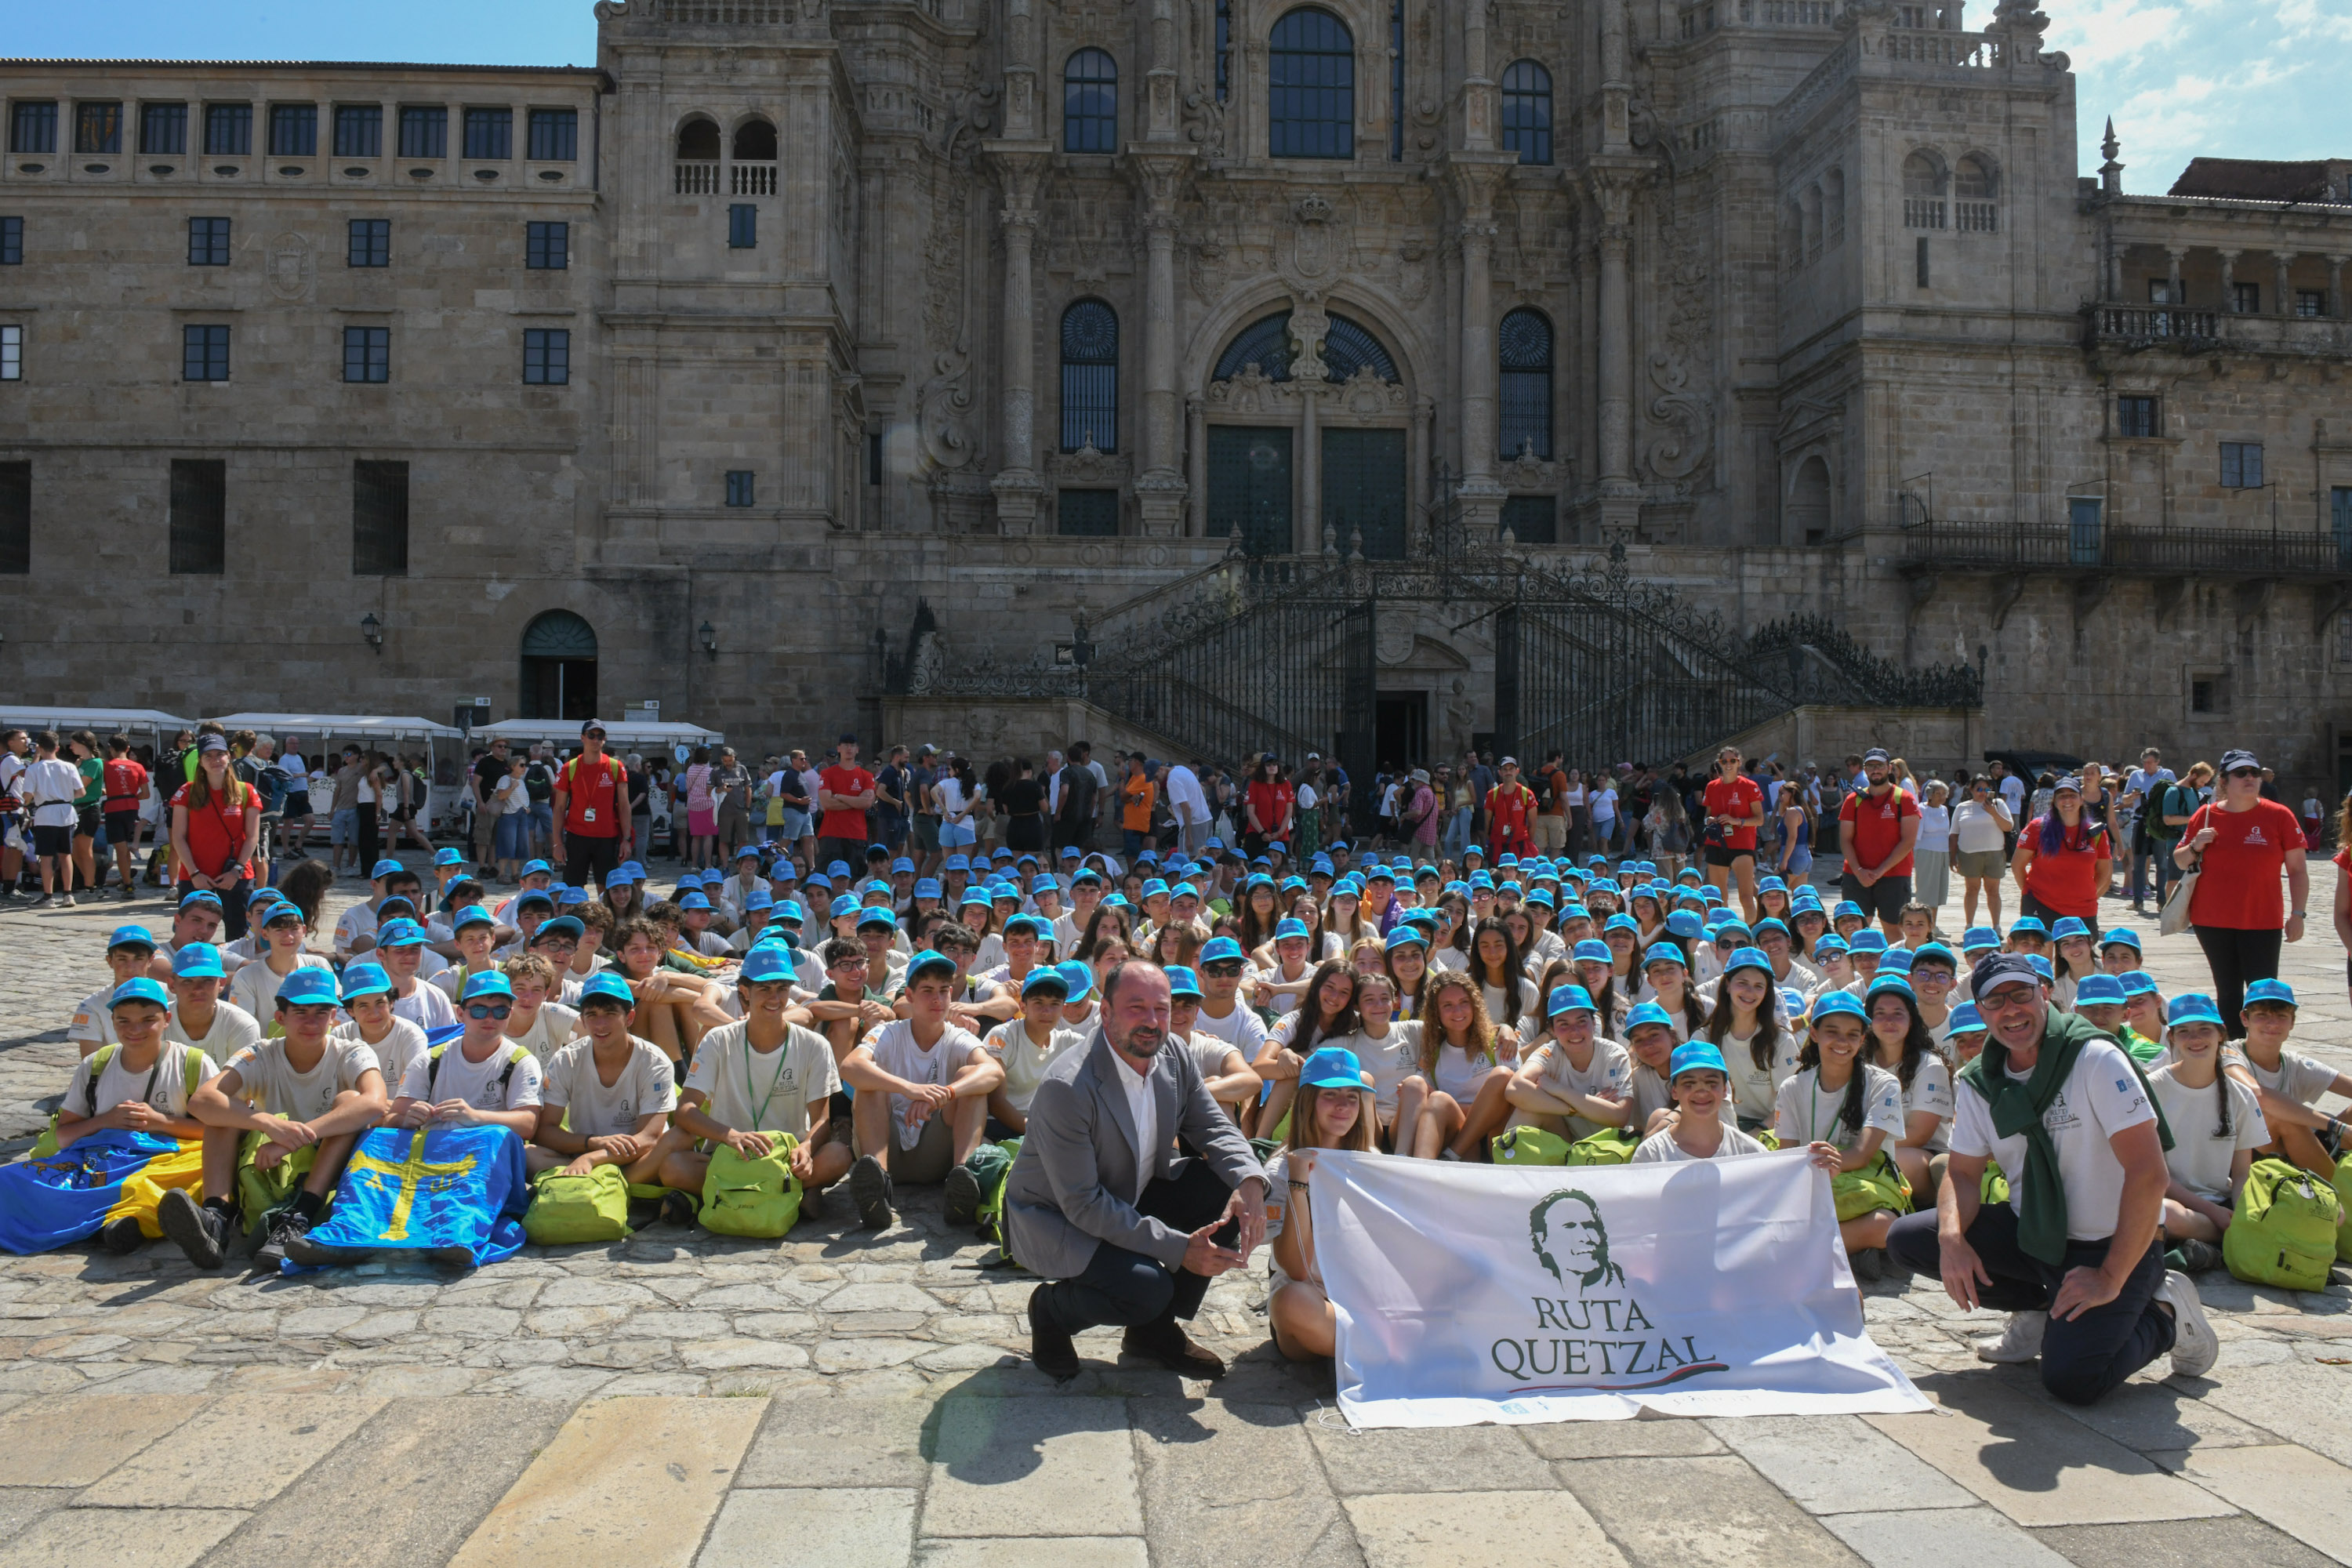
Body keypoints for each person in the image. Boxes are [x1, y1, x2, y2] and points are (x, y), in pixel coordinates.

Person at [1885, 953, 2216, 1404]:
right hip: (2036, 1235)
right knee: (1911, 1238)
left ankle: (2166, 1312)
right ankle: (2039, 1307)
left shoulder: (2094, 1058)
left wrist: (2110, 1276)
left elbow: (2148, 1173)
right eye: (1995, 1001)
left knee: (2074, 1381)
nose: (2011, 1010)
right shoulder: (1983, 1080)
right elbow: (1961, 1173)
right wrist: (1952, 1239)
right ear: (1980, 1010)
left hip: (2111, 1244)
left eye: (2020, 995)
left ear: (2045, 994)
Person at [1006, 960, 1269, 1379]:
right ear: (1105, 1011)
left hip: (1129, 1190)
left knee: (1225, 1187)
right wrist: (1180, 1249)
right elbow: (1084, 1204)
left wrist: (1250, 1180)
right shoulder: (1067, 1087)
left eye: (1161, 1009)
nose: (1152, 1021)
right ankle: (1053, 1311)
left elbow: (1213, 1127)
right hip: (1059, 1217)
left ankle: (1152, 1333)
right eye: (1136, 1007)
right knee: (1146, 1288)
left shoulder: (1174, 1054)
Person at [158, 967, 392, 1269]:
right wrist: (269, 1124)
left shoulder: (352, 1051)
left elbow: (375, 1102)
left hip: (324, 1160)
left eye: (321, 1013)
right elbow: (202, 1100)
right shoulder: (260, 1053)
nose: (311, 1022)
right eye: (301, 1013)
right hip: (267, 1161)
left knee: (349, 1101)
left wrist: (292, 1139)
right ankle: (216, 1216)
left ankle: (300, 1216)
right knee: (223, 1112)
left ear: (334, 1017)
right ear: (280, 1018)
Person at [840, 949, 1004, 1229]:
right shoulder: (888, 1032)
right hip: (887, 1146)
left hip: (934, 1151)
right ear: (910, 995)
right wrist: (910, 1089)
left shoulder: (958, 1037)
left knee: (971, 1078)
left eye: (944, 991)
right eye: (928, 991)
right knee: (870, 1084)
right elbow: (850, 1066)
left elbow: (994, 1072)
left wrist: (944, 1094)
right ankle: (878, 1190)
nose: (938, 999)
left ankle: (962, 1182)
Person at [2174, 749, 2307, 1037]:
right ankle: (2234, 1051)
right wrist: (2196, 845)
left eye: (2254, 773)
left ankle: (2262, 1048)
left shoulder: (2280, 815)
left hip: (2262, 919)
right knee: (2227, 992)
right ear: (2224, 781)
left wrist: (2298, 914)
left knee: (2264, 993)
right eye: (2241, 773)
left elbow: (2297, 870)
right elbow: (2180, 860)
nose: (2249, 778)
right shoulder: (2205, 815)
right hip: (2212, 920)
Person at [1264, 1045, 1377, 1361]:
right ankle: (1382, 1355)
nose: (1343, 1105)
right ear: (1308, 1101)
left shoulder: (1370, 1162)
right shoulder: (1279, 1171)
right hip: (1311, 1300)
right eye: (1330, 1095)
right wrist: (1299, 1183)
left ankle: (1367, 1352)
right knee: (1291, 1301)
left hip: (1361, 1298)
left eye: (1352, 1096)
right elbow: (1297, 1269)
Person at [2146, 992, 2267, 1275]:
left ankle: (2213, 1244)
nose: (2195, 1039)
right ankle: (2225, 1243)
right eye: (2184, 1031)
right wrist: (2214, 1214)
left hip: (2221, 1203)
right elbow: (2154, 1173)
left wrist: (2243, 1215)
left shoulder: (2240, 1095)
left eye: (2204, 1029)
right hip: (2172, 1202)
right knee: (2162, 1213)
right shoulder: (2153, 1088)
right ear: (2172, 1037)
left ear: (2221, 1034)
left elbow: (2242, 1174)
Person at [170, 737, 262, 942]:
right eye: (208, 756)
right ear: (200, 761)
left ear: (229, 757)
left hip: (235, 875)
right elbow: (178, 837)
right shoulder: (187, 791)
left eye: (220, 754)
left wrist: (236, 871)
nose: (215, 760)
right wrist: (195, 873)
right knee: (189, 938)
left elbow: (252, 836)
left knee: (240, 940)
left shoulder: (246, 791)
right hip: (195, 877)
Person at [2012, 775, 2110, 930]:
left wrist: (2086, 897)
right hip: (2041, 906)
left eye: (2072, 795)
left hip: (2082, 911)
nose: (2067, 800)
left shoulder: (2095, 833)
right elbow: (2017, 865)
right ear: (2054, 801)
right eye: (2062, 796)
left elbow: (2105, 873)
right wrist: (2030, 895)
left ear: (2081, 799)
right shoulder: (2037, 828)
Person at [20, 731, 85, 908]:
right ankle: (68, 895)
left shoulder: (34, 769)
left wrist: (26, 801)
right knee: (66, 855)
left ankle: (48, 896)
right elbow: (81, 792)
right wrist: (64, 795)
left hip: (46, 813)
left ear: (39, 748)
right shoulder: (69, 767)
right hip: (66, 812)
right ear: (57, 747)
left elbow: (27, 797)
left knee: (46, 857)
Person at [1702, 745, 1765, 923]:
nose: (1728, 764)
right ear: (1719, 763)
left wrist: (1737, 821)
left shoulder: (1749, 786)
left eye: (1732, 761)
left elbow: (1760, 819)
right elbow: (1707, 815)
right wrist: (1710, 820)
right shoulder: (1712, 786)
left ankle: (1751, 932)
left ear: (1739, 762)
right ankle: (1723, 932)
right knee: (1719, 898)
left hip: (1742, 845)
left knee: (1746, 897)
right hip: (1717, 843)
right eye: (1724, 761)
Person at [816, 734, 877, 868]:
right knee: (828, 874)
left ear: (857, 749)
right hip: (831, 833)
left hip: (856, 834)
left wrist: (840, 796)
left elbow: (867, 803)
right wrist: (856, 801)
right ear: (839, 748)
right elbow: (827, 803)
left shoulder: (866, 776)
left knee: (853, 876)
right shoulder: (827, 773)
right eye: (845, 745)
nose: (849, 749)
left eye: (852, 746)